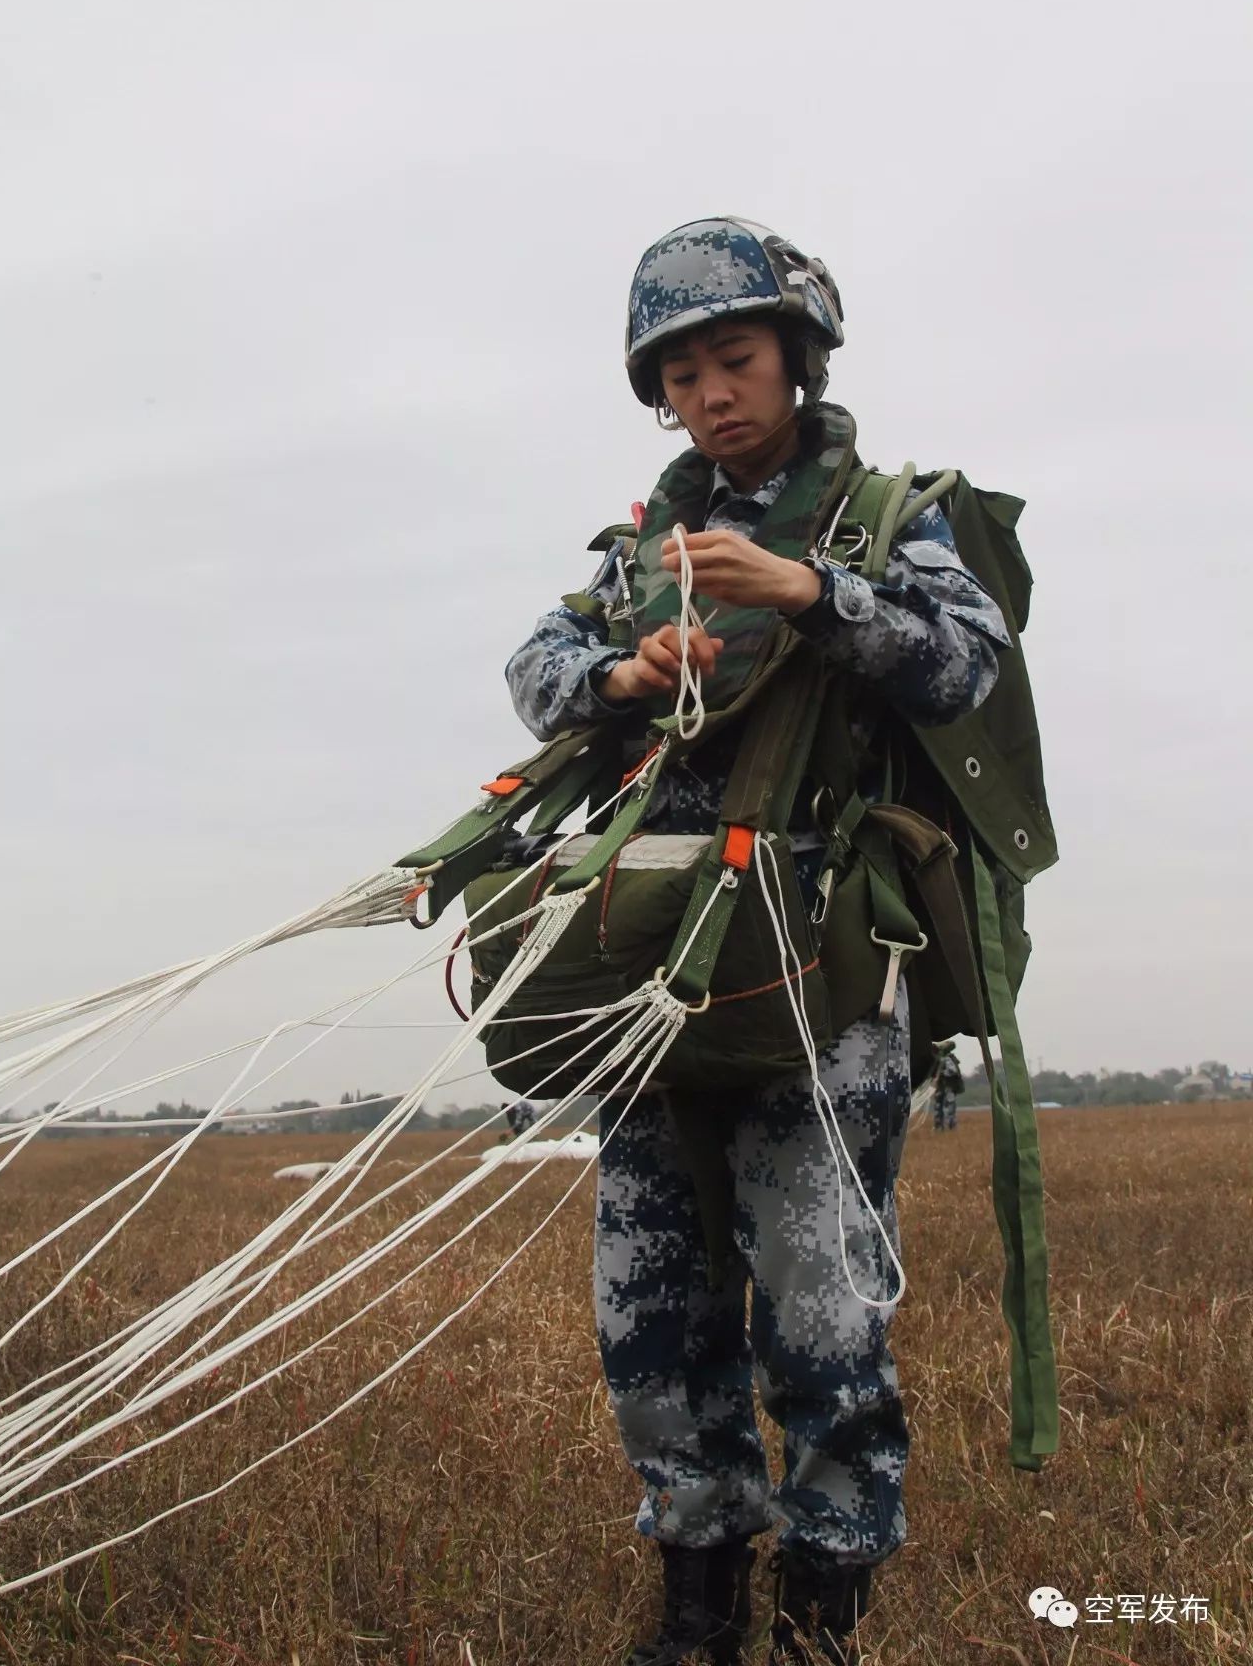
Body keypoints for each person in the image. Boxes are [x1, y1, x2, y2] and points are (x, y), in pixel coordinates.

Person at [503, 219, 1011, 1664]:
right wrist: (622, 665)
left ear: (798, 352)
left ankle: (826, 1599)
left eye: (735, 356)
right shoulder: (640, 549)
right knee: (652, 1300)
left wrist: (816, 597)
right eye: (680, 372)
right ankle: (700, 1588)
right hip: (657, 966)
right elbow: (534, 670)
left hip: (822, 969)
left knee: (822, 1292)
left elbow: (968, 661)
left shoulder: (890, 515)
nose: (712, 393)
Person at [932, 1045, 964, 1132]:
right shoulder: (938, 1059)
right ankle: (939, 1126)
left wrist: (941, 1073)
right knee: (938, 1107)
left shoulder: (947, 1059)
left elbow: (953, 1071)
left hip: (948, 1087)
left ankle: (951, 1125)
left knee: (949, 1107)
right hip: (940, 1087)